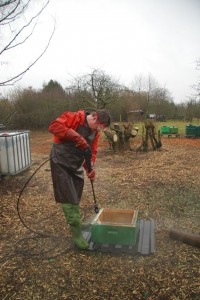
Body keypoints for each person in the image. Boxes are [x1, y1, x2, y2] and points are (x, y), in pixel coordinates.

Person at [49, 109, 111, 250]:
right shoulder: (75, 117)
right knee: (68, 196)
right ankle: (76, 233)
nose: (100, 130)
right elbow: (53, 126)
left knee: (76, 192)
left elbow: (91, 150)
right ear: (94, 118)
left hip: (75, 163)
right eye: (100, 126)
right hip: (61, 161)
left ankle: (77, 222)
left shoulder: (95, 132)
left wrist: (90, 168)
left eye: (103, 127)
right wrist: (77, 137)